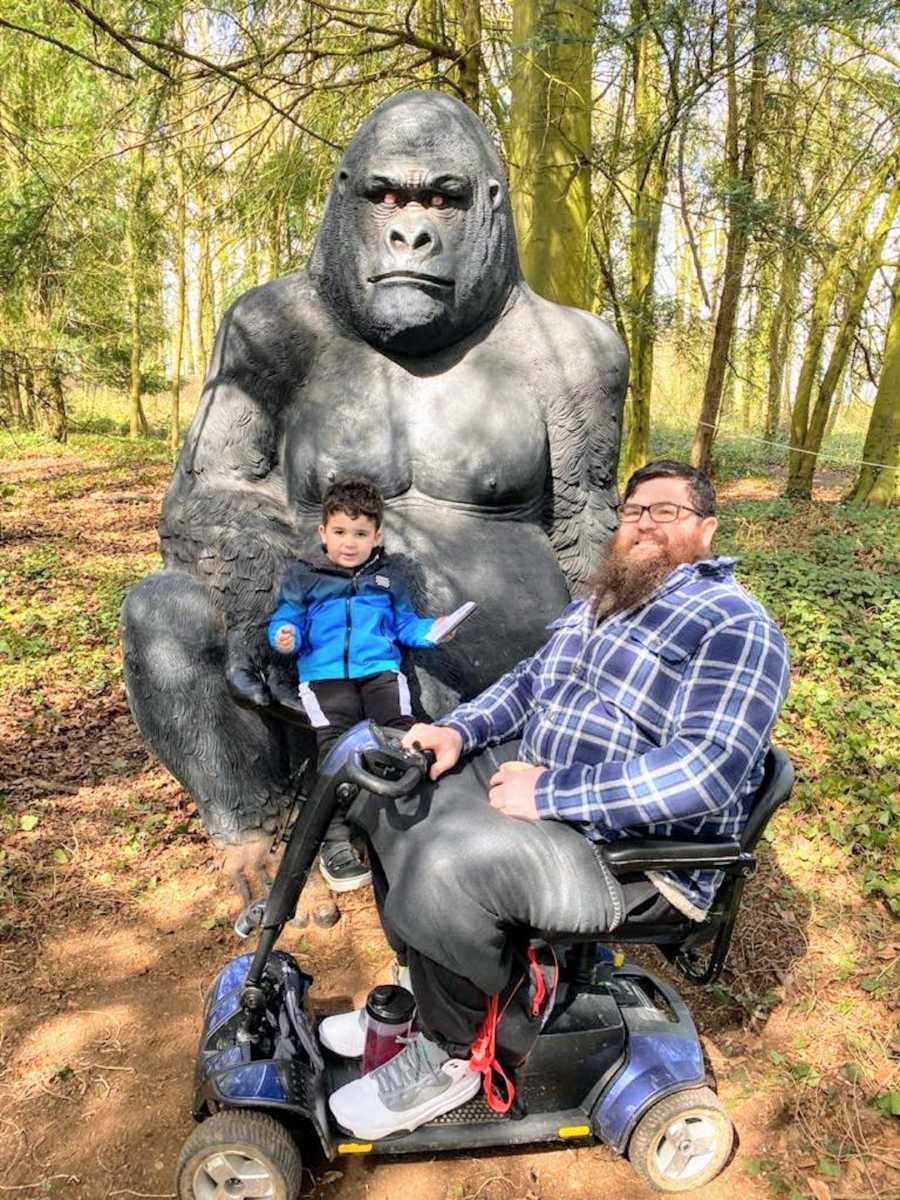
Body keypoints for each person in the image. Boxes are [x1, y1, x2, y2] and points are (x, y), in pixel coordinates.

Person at [321, 459, 791, 1140]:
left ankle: (453, 1055)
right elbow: (525, 683)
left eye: (669, 511)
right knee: (395, 791)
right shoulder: (608, 600)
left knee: (446, 866)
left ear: (708, 530)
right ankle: (432, 998)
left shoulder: (734, 624)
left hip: (632, 852)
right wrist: (457, 730)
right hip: (542, 787)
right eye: (634, 511)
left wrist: (554, 792)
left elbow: (706, 772)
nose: (645, 523)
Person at [268, 477, 443, 892]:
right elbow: (284, 619)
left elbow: (405, 626)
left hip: (380, 671)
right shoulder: (305, 575)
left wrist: (432, 631)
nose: (350, 543)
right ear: (323, 533)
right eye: (341, 532)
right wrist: (283, 635)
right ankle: (336, 841)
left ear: (377, 536)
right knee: (337, 751)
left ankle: (412, 828)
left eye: (361, 533)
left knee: (401, 737)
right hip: (325, 678)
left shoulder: (388, 577)